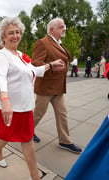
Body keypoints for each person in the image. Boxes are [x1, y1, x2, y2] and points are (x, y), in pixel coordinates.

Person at [0, 17, 65, 180]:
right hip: (9, 105)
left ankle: (31, 175)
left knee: (23, 138)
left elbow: (34, 71)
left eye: (18, 32)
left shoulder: (19, 55)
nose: (15, 36)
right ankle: (0, 155)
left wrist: (51, 65)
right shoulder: (2, 54)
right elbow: (0, 77)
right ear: (3, 36)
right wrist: (5, 99)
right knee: (12, 135)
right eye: (11, 33)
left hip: (24, 106)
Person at [32, 17, 82, 154]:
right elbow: (35, 64)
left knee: (62, 113)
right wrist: (51, 66)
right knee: (38, 113)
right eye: (61, 26)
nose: (64, 28)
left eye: (64, 26)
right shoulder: (42, 43)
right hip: (46, 88)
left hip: (58, 88)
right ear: (51, 29)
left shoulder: (59, 43)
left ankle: (65, 141)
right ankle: (27, 132)